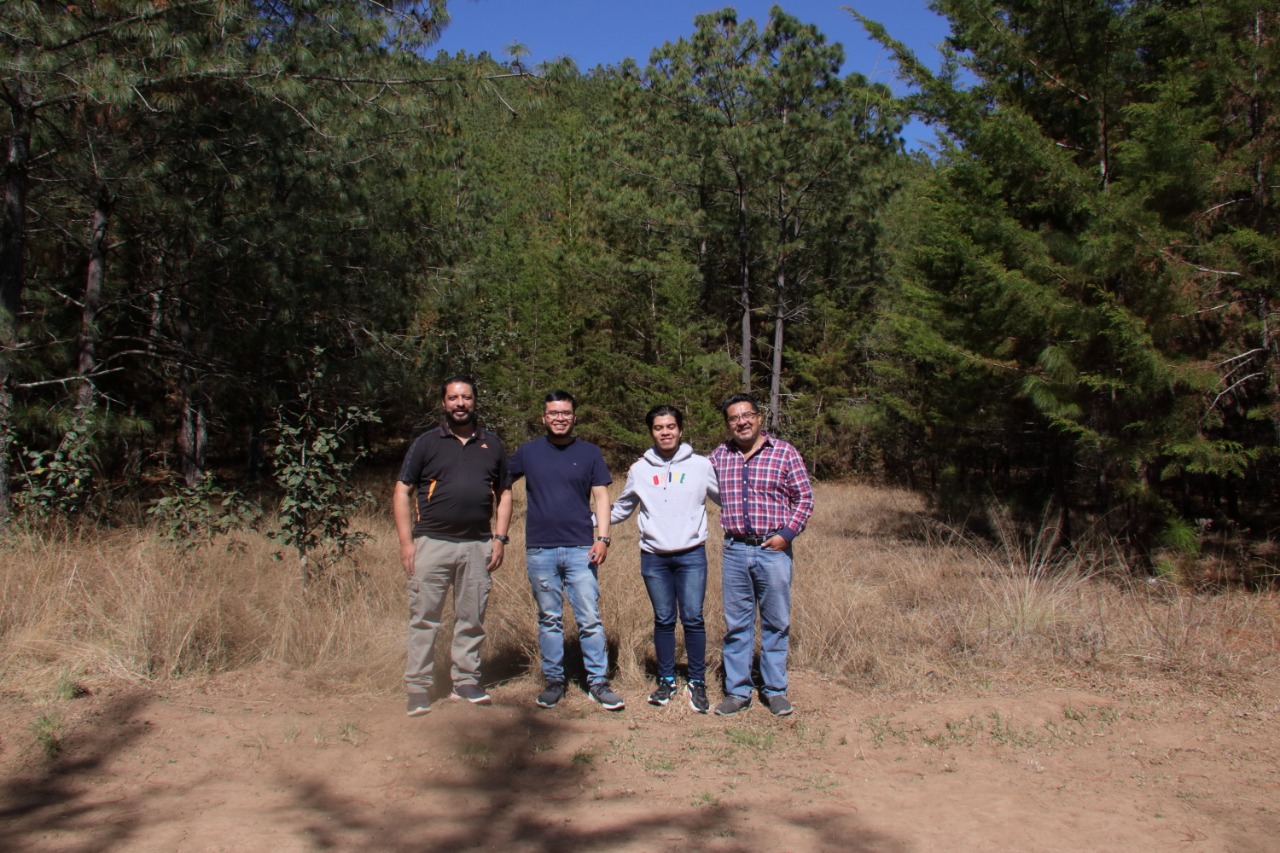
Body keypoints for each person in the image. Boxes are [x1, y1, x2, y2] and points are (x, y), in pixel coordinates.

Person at [394, 376, 512, 717]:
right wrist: (407, 543)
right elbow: (402, 491)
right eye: (453, 398)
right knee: (424, 618)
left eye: (466, 397)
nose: (460, 403)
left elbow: (504, 493)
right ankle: (418, 687)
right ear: (444, 403)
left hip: (477, 544)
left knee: (471, 617)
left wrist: (500, 538)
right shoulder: (427, 443)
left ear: (475, 401)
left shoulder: (493, 444)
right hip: (432, 542)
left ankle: (466, 680)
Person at [508, 390, 624, 711]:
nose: (560, 418)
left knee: (589, 618)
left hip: (580, 549)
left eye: (565, 413)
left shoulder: (589, 453)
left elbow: (601, 497)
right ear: (544, 417)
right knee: (549, 618)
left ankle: (598, 683)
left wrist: (603, 538)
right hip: (540, 549)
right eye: (553, 413)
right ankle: (554, 681)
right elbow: (498, 480)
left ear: (574, 417)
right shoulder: (528, 452)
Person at [708, 393, 814, 717]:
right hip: (735, 550)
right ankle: (738, 691)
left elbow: (804, 498)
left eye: (746, 415)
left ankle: (775, 690)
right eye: (734, 418)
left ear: (758, 417)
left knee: (776, 622)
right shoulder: (719, 456)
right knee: (737, 625)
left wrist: (787, 535)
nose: (741, 422)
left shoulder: (784, 453)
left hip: (773, 551)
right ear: (728, 424)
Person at [610, 405, 719, 713]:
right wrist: (588, 520)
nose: (665, 432)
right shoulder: (639, 470)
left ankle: (697, 682)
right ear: (652, 432)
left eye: (671, 426)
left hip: (691, 554)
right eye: (659, 427)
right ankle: (667, 680)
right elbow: (622, 508)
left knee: (694, 618)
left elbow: (726, 498)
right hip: (654, 557)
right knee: (664, 619)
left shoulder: (701, 465)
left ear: (680, 430)